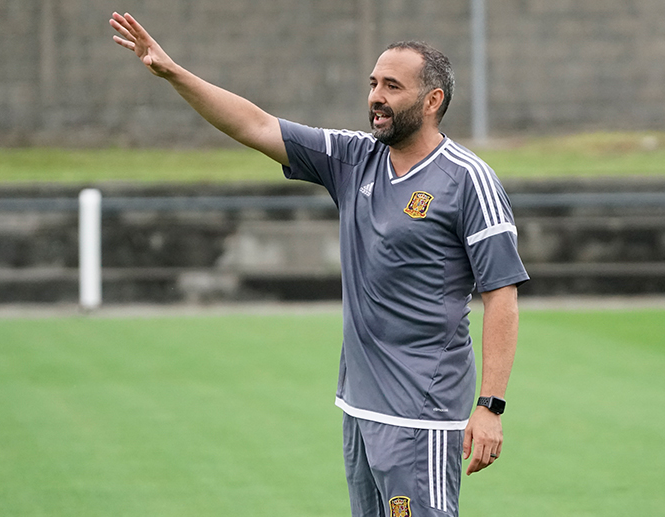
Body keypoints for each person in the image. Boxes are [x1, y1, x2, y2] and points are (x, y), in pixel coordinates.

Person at [110, 11, 528, 517]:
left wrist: (489, 407)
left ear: (432, 100)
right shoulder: (354, 159)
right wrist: (174, 73)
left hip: (422, 416)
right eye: (373, 83)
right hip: (358, 407)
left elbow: (501, 294)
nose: (376, 97)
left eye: (392, 86)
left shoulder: (468, 179)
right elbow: (255, 124)